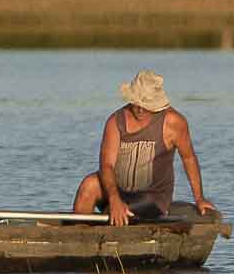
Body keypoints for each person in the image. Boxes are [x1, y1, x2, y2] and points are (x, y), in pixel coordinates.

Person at [72, 69, 219, 226]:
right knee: (89, 184)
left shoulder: (173, 122)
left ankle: (106, 222)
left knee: (117, 214)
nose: (140, 109)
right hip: (117, 190)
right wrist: (114, 199)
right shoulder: (115, 122)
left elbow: (188, 158)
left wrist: (199, 198)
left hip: (152, 197)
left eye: (146, 104)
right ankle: (75, 235)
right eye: (137, 103)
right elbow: (106, 165)